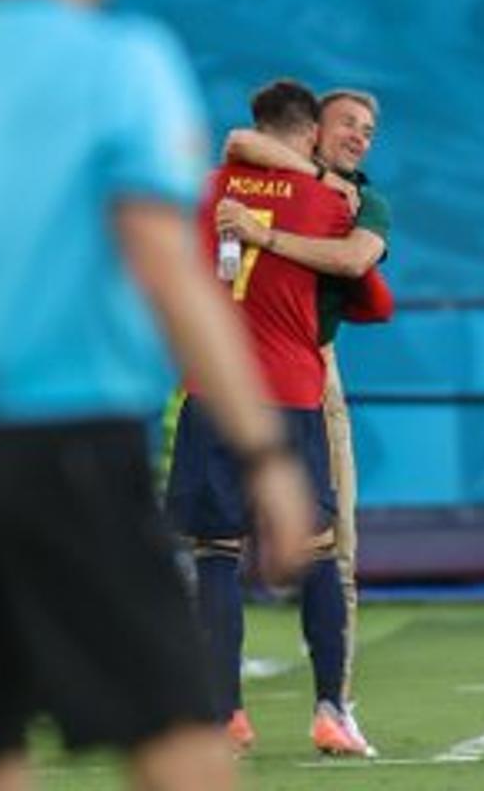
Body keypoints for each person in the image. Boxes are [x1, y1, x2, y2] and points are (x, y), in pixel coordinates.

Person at [0, 0, 314, 790]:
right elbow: (164, 262)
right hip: (71, 453)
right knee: (184, 752)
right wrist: (265, 455)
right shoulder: (119, 60)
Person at [165, 79, 366, 757]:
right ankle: (330, 711)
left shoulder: (202, 189)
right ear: (310, 134)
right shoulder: (329, 199)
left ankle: (227, 716)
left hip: (213, 391)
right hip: (292, 395)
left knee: (215, 556)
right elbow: (375, 298)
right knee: (315, 554)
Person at [216, 88, 392, 756]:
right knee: (217, 544)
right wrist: (314, 180)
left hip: (308, 370)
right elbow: (242, 139)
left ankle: (334, 705)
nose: (361, 137)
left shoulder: (365, 199)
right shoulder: (295, 180)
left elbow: (355, 262)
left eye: (370, 129)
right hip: (237, 366)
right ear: (312, 131)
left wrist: (264, 233)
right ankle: (222, 707)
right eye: (349, 123)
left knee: (332, 544)